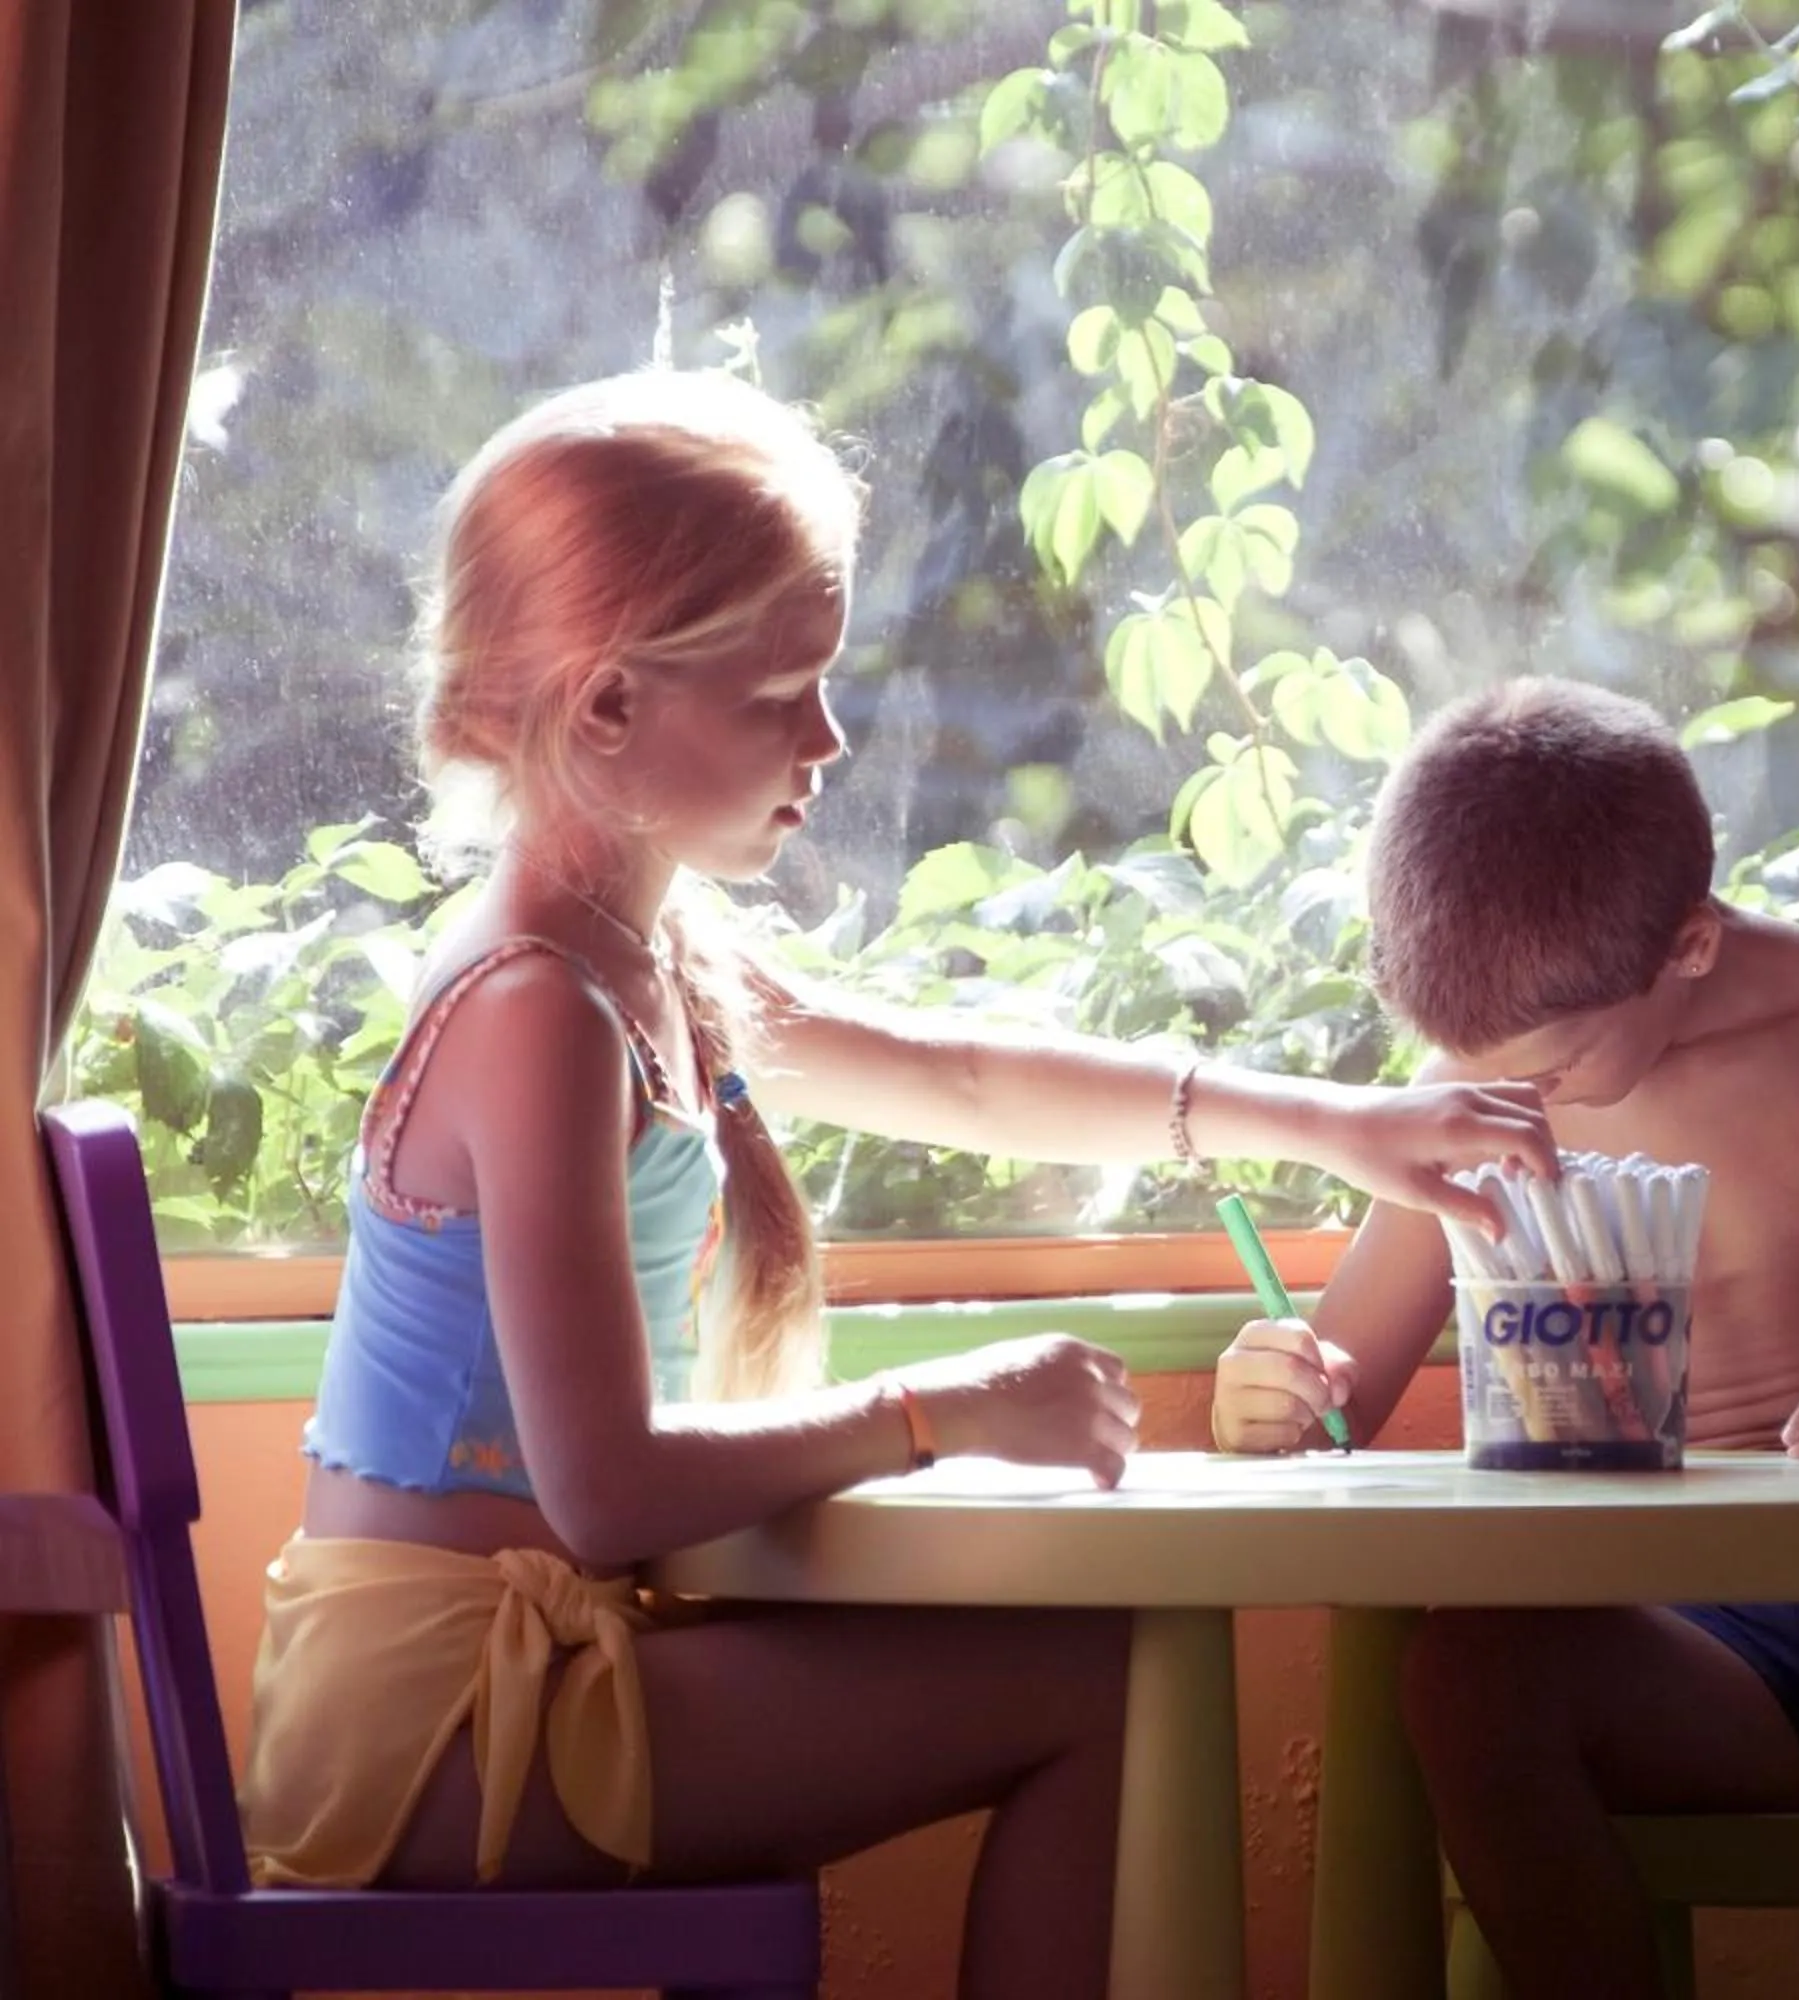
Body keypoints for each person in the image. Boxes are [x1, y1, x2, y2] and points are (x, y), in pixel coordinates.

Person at [231, 367, 1554, 2000]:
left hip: (490, 1689)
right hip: (441, 1728)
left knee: (1098, 1676)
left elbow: (958, 1073)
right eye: (784, 692)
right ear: (606, 709)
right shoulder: (534, 1011)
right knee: (1096, 1695)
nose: (831, 738)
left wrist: (1333, 1124)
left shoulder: (641, 951)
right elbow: (608, 1491)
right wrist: (948, 1403)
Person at [1207, 677, 1799, 1995]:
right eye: (1473, 1068)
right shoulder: (1472, 1090)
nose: (1512, 1102)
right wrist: (1270, 1394)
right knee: (1464, 1682)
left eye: (1550, 1070)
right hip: (1695, 1656)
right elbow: (1337, 1393)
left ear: (1687, 945)